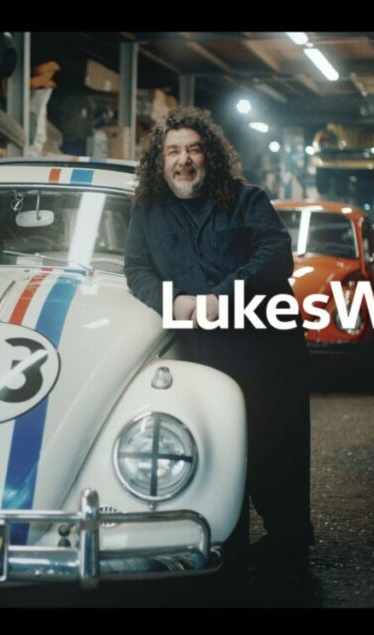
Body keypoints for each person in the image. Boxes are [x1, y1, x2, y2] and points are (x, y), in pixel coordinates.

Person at [124, 106, 314, 573]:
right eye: (172, 151)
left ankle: (289, 544)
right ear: (159, 161)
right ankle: (224, 543)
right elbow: (136, 271)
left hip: (265, 351)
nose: (183, 160)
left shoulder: (247, 199)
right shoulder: (148, 213)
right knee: (212, 448)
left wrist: (220, 299)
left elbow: (275, 256)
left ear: (210, 155)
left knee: (273, 451)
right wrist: (176, 303)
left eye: (193, 148)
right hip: (202, 356)